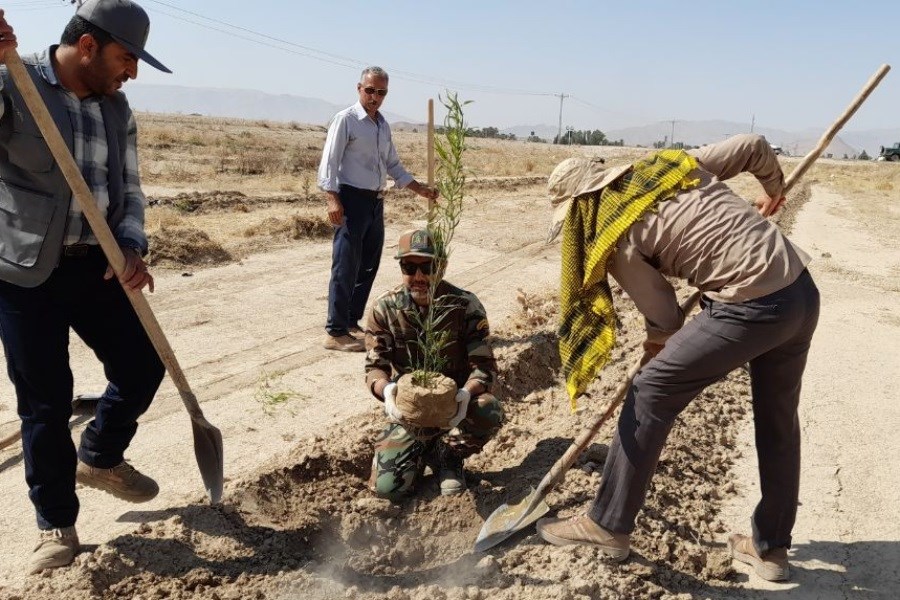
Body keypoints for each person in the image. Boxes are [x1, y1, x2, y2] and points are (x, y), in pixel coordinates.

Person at [536, 134, 819, 582]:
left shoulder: (617, 238)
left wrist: (654, 357)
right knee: (777, 416)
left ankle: (607, 523)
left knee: (650, 390)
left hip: (752, 307)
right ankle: (771, 550)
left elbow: (666, 319)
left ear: (582, 208)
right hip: (800, 291)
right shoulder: (671, 167)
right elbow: (754, 147)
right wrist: (771, 188)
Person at [0, 0, 170, 574]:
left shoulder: (117, 110)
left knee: (143, 367)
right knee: (44, 402)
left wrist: (132, 245)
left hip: (95, 264)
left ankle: (98, 456)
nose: (133, 72)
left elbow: (132, 188)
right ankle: (57, 527)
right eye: (128, 57)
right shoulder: (12, 81)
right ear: (90, 46)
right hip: (24, 272)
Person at [365, 229, 503, 500]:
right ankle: (417, 455)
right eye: (409, 267)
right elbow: (374, 367)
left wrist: (465, 396)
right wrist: (388, 392)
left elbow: (484, 366)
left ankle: (448, 456)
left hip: (455, 412)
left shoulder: (464, 306)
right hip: (410, 413)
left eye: (428, 267)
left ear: (442, 266)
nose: (419, 277)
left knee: (489, 410)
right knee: (388, 489)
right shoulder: (385, 309)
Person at [318, 66, 438, 353]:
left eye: (381, 92)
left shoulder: (383, 126)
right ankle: (335, 331)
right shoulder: (346, 120)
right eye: (370, 90)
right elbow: (329, 162)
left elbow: (393, 165)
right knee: (346, 264)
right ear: (359, 88)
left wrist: (420, 189)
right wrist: (332, 199)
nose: (375, 97)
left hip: (375, 201)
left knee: (368, 264)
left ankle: (350, 321)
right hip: (350, 199)